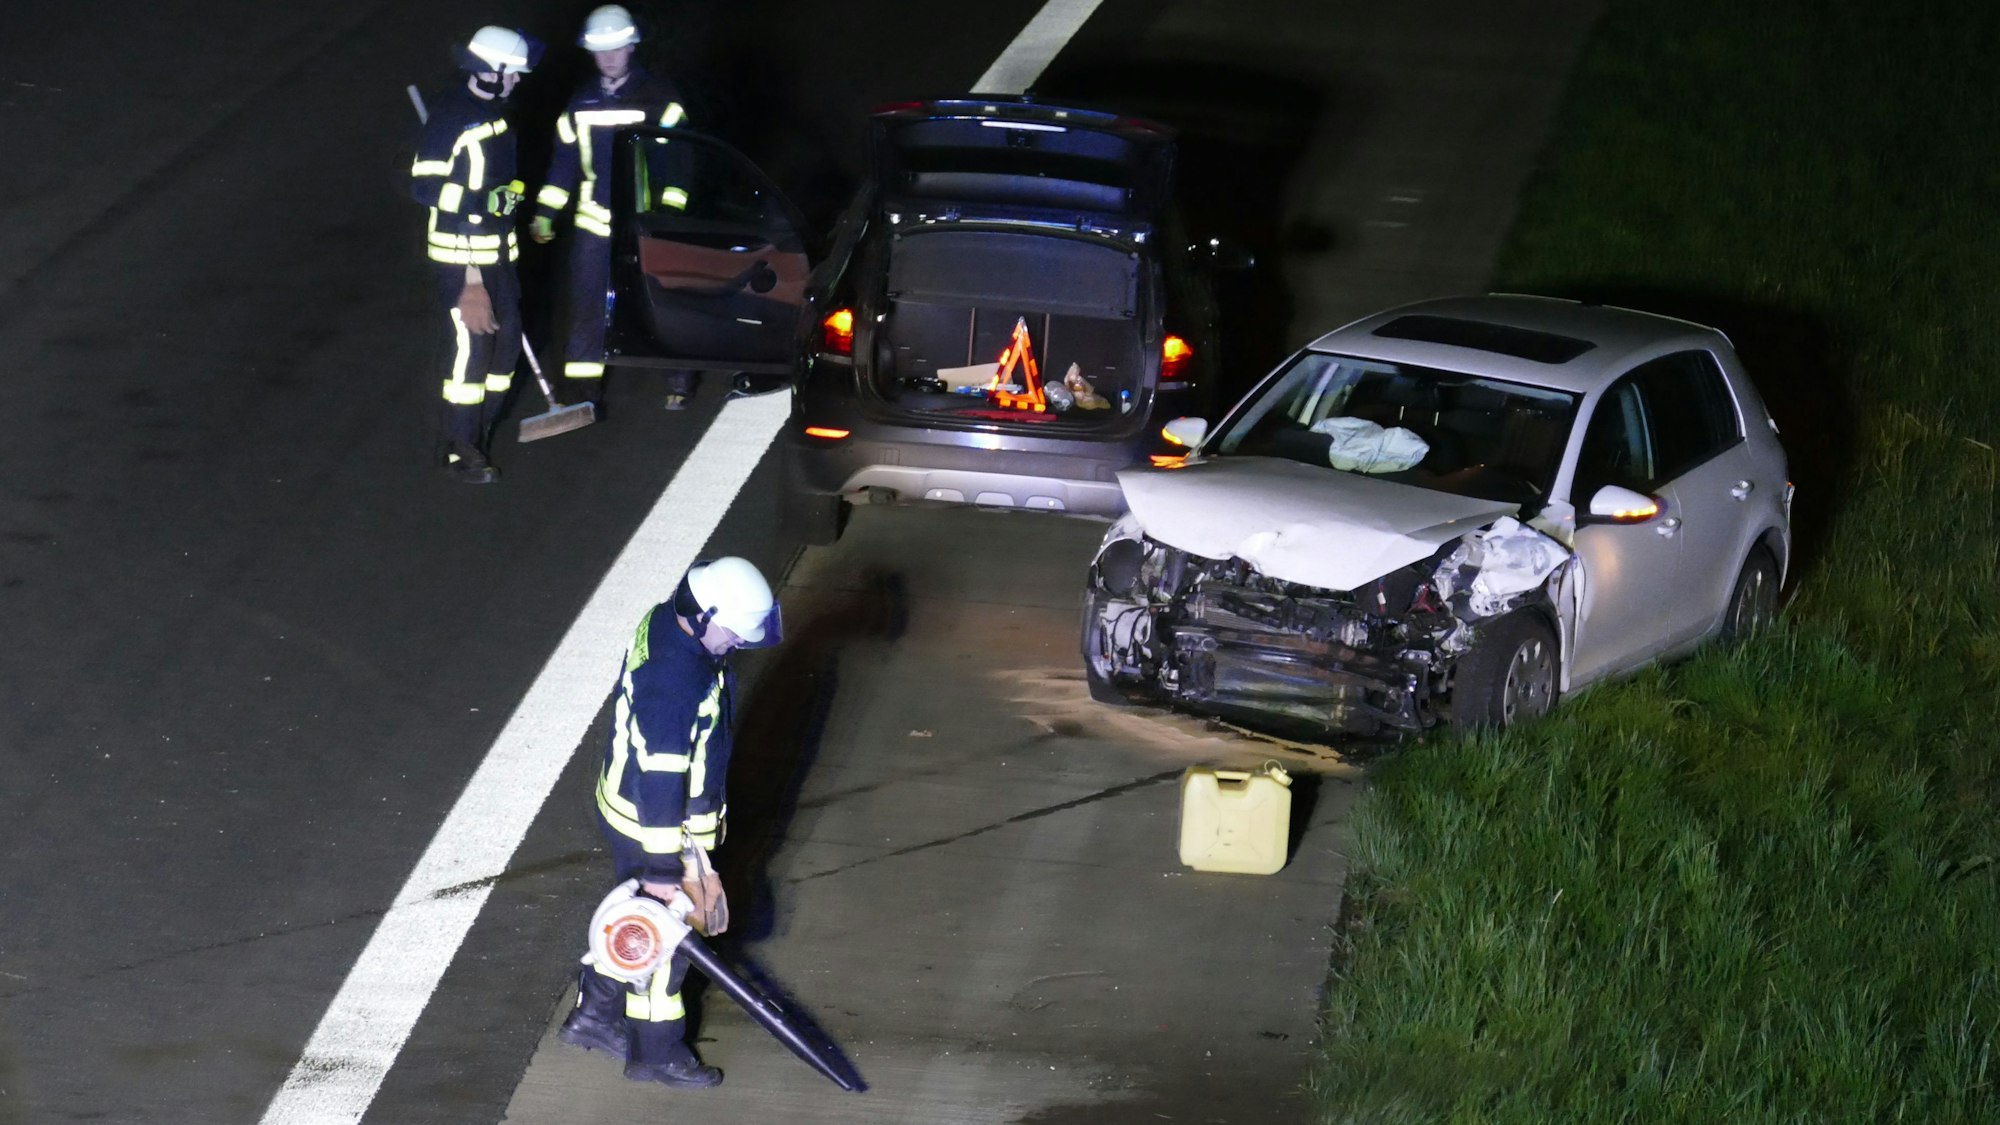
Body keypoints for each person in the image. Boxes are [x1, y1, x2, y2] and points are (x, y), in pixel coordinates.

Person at [559, 556, 782, 1088]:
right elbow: (662, 781)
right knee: (667, 941)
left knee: (642, 921)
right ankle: (656, 1053)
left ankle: (595, 1016)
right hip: (654, 826)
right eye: (733, 633)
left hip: (634, 810)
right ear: (704, 617)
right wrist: (663, 868)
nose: (737, 645)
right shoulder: (673, 685)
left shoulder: (668, 623)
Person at [531, 5, 701, 411]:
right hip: (594, 224)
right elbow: (564, 164)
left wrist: (668, 214)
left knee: (661, 300)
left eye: (616, 48)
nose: (608, 57)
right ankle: (582, 393)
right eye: (600, 50)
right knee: (588, 307)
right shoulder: (581, 102)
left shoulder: (660, 98)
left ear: (631, 47)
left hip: (646, 225)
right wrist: (545, 212)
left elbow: (680, 161)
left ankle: (679, 377)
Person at [409, 26, 542, 483]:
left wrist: (510, 194)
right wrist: (471, 281)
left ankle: (480, 429)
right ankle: (459, 447)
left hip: (501, 257)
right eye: (513, 73)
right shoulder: (450, 119)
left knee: (504, 356)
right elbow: (424, 186)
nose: (518, 81)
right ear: (492, 71)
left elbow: (499, 176)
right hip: (463, 260)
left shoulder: (496, 114)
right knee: (472, 354)